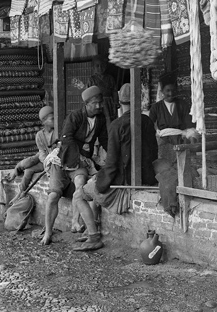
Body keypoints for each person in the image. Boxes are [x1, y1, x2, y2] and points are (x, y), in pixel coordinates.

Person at [82, 83, 159, 222]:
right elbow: (154, 154)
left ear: (119, 102)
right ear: (139, 100)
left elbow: (111, 164)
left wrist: (101, 183)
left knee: (82, 193)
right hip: (149, 177)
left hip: (126, 181)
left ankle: (92, 232)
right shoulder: (147, 121)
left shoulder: (116, 125)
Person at [44, 86, 108, 250]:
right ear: (87, 104)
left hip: (81, 160)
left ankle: (76, 223)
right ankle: (48, 233)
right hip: (64, 157)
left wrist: (111, 157)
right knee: (53, 195)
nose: (99, 106)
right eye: (96, 103)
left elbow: (105, 140)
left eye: (100, 102)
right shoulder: (75, 117)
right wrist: (77, 157)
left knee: (81, 185)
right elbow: (66, 139)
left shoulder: (100, 119)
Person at [148, 72, 198, 162]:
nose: (171, 93)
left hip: (181, 140)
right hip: (163, 142)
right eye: (167, 90)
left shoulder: (183, 105)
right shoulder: (156, 107)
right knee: (165, 168)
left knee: (183, 166)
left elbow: (189, 125)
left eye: (173, 90)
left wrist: (192, 138)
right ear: (162, 91)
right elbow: (150, 126)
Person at [88, 56, 118, 123]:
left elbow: (114, 91)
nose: (100, 68)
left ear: (105, 66)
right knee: (97, 121)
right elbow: (88, 94)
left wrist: (116, 102)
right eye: (97, 66)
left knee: (109, 121)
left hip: (109, 103)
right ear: (93, 68)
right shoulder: (91, 79)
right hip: (96, 103)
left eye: (102, 65)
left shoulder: (110, 78)